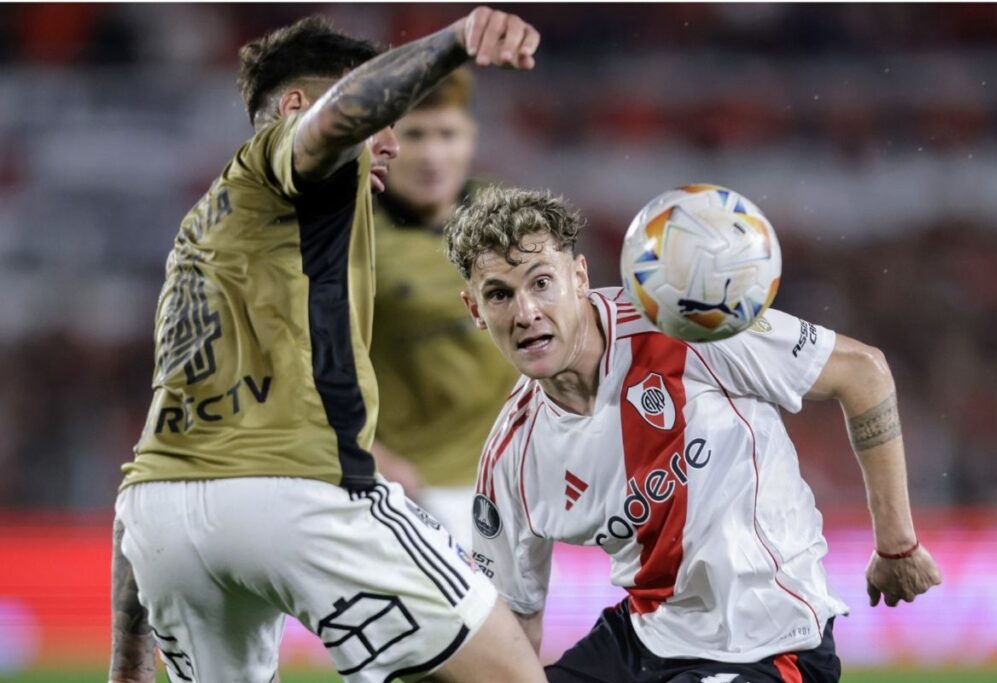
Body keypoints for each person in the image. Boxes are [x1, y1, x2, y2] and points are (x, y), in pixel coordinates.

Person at [109, 9, 548, 683]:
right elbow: (333, 120)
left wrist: (127, 664)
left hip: (161, 521)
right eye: (384, 119)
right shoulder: (283, 158)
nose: (392, 145)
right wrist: (457, 41)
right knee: (512, 671)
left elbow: (150, 460)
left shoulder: (201, 233)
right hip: (299, 494)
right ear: (293, 108)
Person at [442, 186, 943, 682]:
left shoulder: (687, 325)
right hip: (644, 639)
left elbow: (864, 373)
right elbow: (517, 622)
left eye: (541, 283)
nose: (526, 312)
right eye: (500, 295)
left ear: (579, 278)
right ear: (475, 312)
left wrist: (896, 546)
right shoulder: (511, 456)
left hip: (768, 640)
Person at [370, 66, 519, 546]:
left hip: (511, 478)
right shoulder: (350, 236)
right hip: (410, 487)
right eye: (415, 134)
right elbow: (296, 358)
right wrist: (362, 452)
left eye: (447, 134)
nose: (433, 154)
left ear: (470, 138)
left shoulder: (512, 216)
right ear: (383, 143)